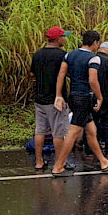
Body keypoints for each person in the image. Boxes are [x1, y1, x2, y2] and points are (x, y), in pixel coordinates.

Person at [51, 30, 108, 177]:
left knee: (91, 131)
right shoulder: (93, 59)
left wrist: (58, 95)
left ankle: (103, 161)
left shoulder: (69, 55)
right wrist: (100, 97)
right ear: (95, 43)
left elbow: (62, 74)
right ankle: (58, 166)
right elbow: (93, 80)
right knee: (73, 132)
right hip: (84, 98)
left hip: (74, 96)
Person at [29, 26, 72, 170]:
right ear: (58, 39)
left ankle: (39, 161)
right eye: (64, 36)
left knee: (40, 130)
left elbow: (32, 74)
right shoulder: (63, 55)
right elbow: (69, 73)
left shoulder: (38, 54)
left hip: (40, 99)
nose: (65, 39)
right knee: (58, 132)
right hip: (56, 99)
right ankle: (61, 162)